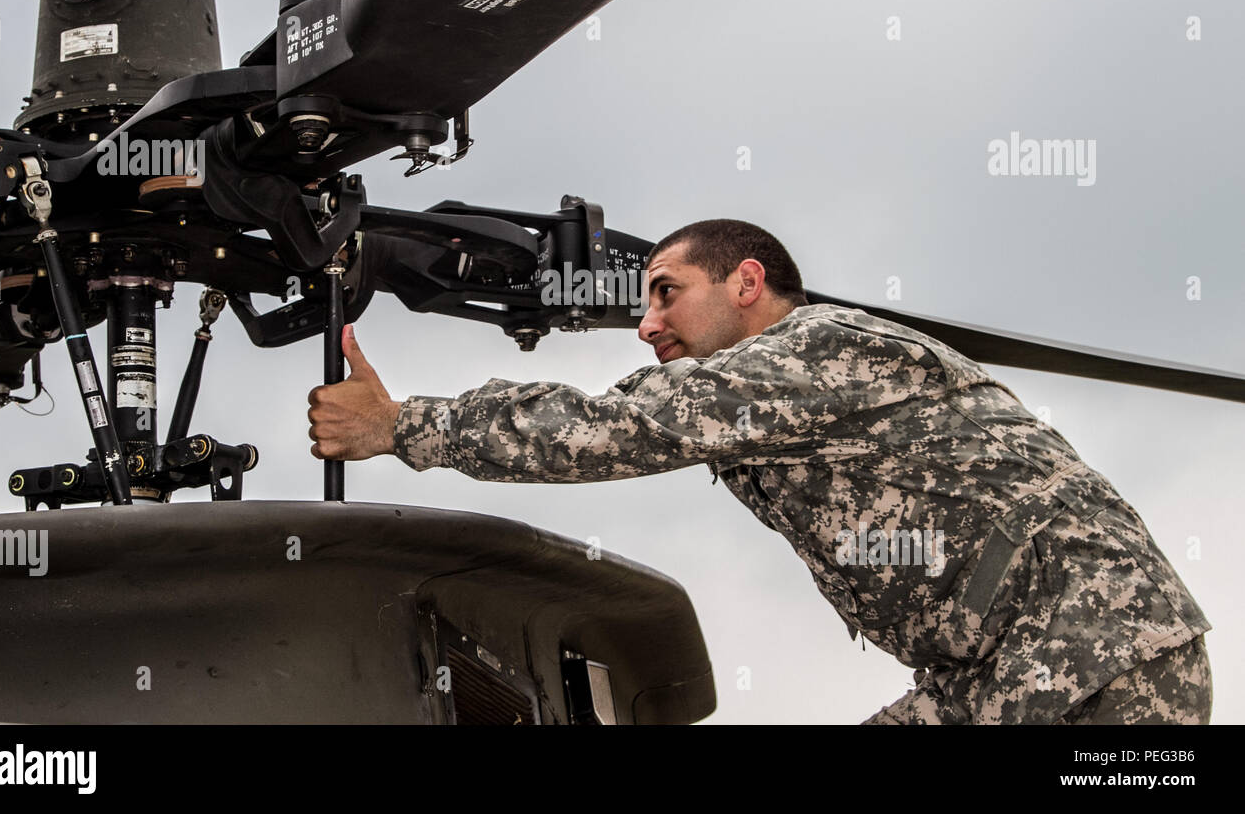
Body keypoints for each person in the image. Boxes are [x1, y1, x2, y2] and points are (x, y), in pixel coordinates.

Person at [306, 218, 1212, 724]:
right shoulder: (757, 394)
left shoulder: (816, 350)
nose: (646, 321)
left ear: (746, 282)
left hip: (1096, 656)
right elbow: (633, 410)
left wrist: (405, 426)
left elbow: (611, 427)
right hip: (988, 678)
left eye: (666, 292)